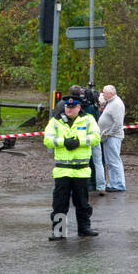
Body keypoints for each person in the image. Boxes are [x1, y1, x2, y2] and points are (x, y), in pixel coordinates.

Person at [44, 94, 101, 240]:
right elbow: (48, 140)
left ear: (79, 107)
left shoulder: (88, 119)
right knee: (59, 204)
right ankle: (59, 231)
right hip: (62, 170)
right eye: (67, 107)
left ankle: (84, 228)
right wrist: (64, 142)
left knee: (82, 203)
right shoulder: (56, 121)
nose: (69, 109)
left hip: (81, 170)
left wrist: (78, 141)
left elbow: (96, 137)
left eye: (72, 107)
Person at [98, 84, 126, 191]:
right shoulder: (111, 103)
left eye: (104, 93)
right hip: (109, 136)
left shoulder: (116, 104)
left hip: (113, 137)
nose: (102, 94)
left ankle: (118, 184)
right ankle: (113, 183)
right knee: (110, 161)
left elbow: (118, 123)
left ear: (110, 94)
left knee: (114, 161)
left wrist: (109, 133)